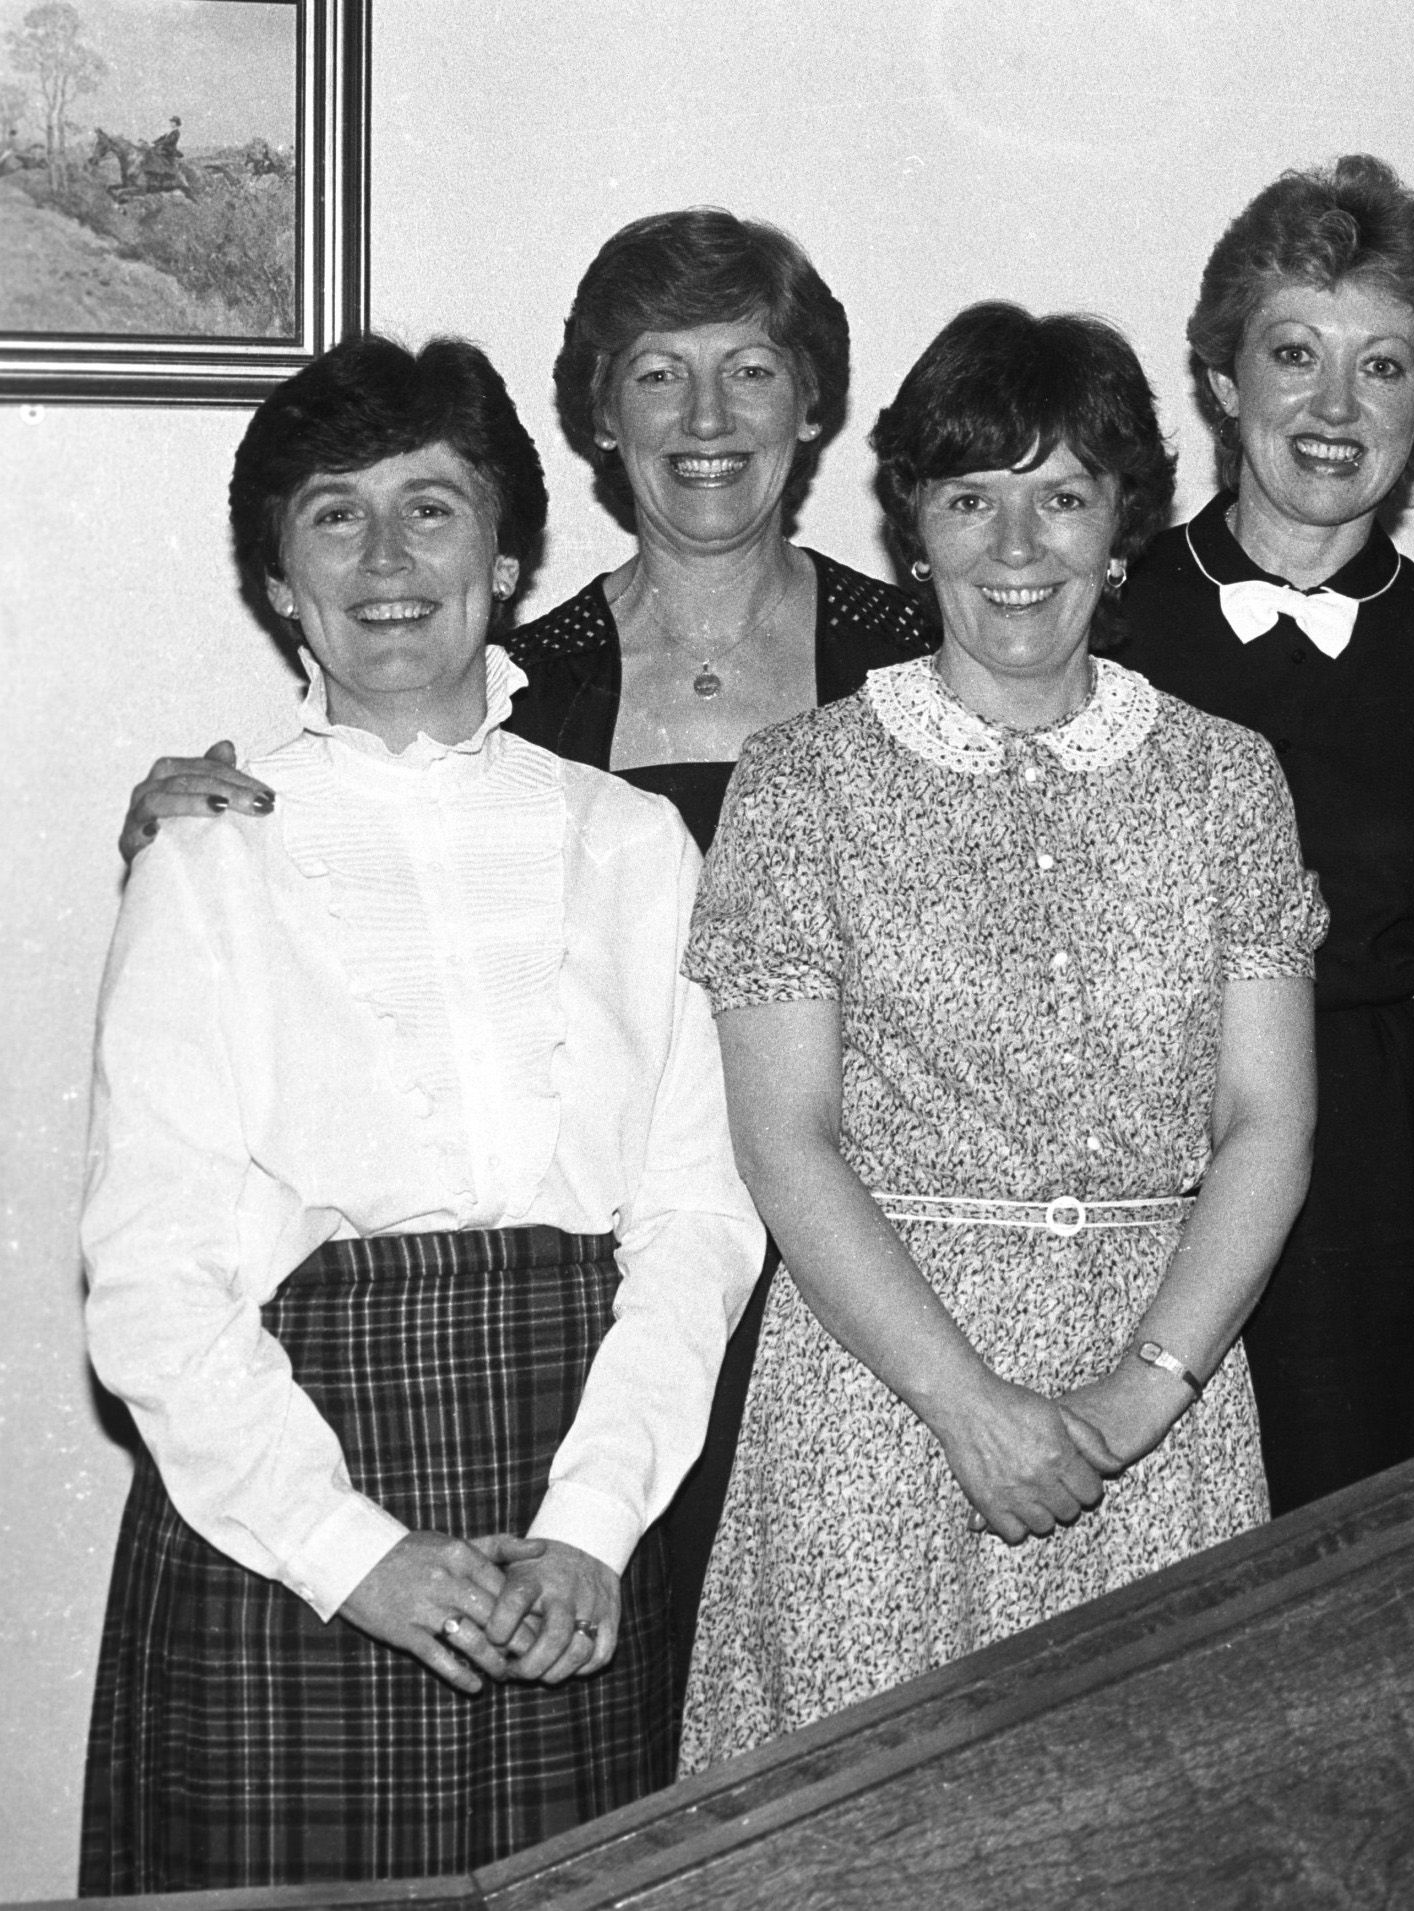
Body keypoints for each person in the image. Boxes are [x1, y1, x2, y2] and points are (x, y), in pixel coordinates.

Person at [114, 208, 935, 1700]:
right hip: (348, 1422)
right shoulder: (534, 695)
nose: (703, 418)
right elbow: (160, 1247)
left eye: (747, 367)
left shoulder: (911, 669)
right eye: (656, 375)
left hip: (763, 1333)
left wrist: (590, 1516)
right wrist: (178, 844)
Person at [77, 334, 762, 1889]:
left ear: (507, 556)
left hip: (574, 1470)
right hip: (287, 1506)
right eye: (333, 514)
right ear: (277, 582)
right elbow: (152, 1273)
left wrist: (596, 1517)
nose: (387, 559)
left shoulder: (631, 839)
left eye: (433, 508)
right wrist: (352, 1553)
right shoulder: (208, 851)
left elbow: (697, 1218)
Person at [677, 302, 1324, 1768]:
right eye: (971, 499)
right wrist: (967, 1405)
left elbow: (1266, 1124)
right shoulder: (800, 785)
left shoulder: (1228, 782)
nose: (1016, 547)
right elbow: (787, 1139)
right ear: (915, 529)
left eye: (1062, 496)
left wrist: (1141, 1391)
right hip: (880, 1398)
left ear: (1121, 527)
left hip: (1155, 1406)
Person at [1115, 155, 1414, 1513]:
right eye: (1292, 353)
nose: (1328, 405)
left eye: (1380, 366)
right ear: (1222, 377)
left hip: (1374, 1190)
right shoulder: (1109, 626)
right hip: (1137, 1165)